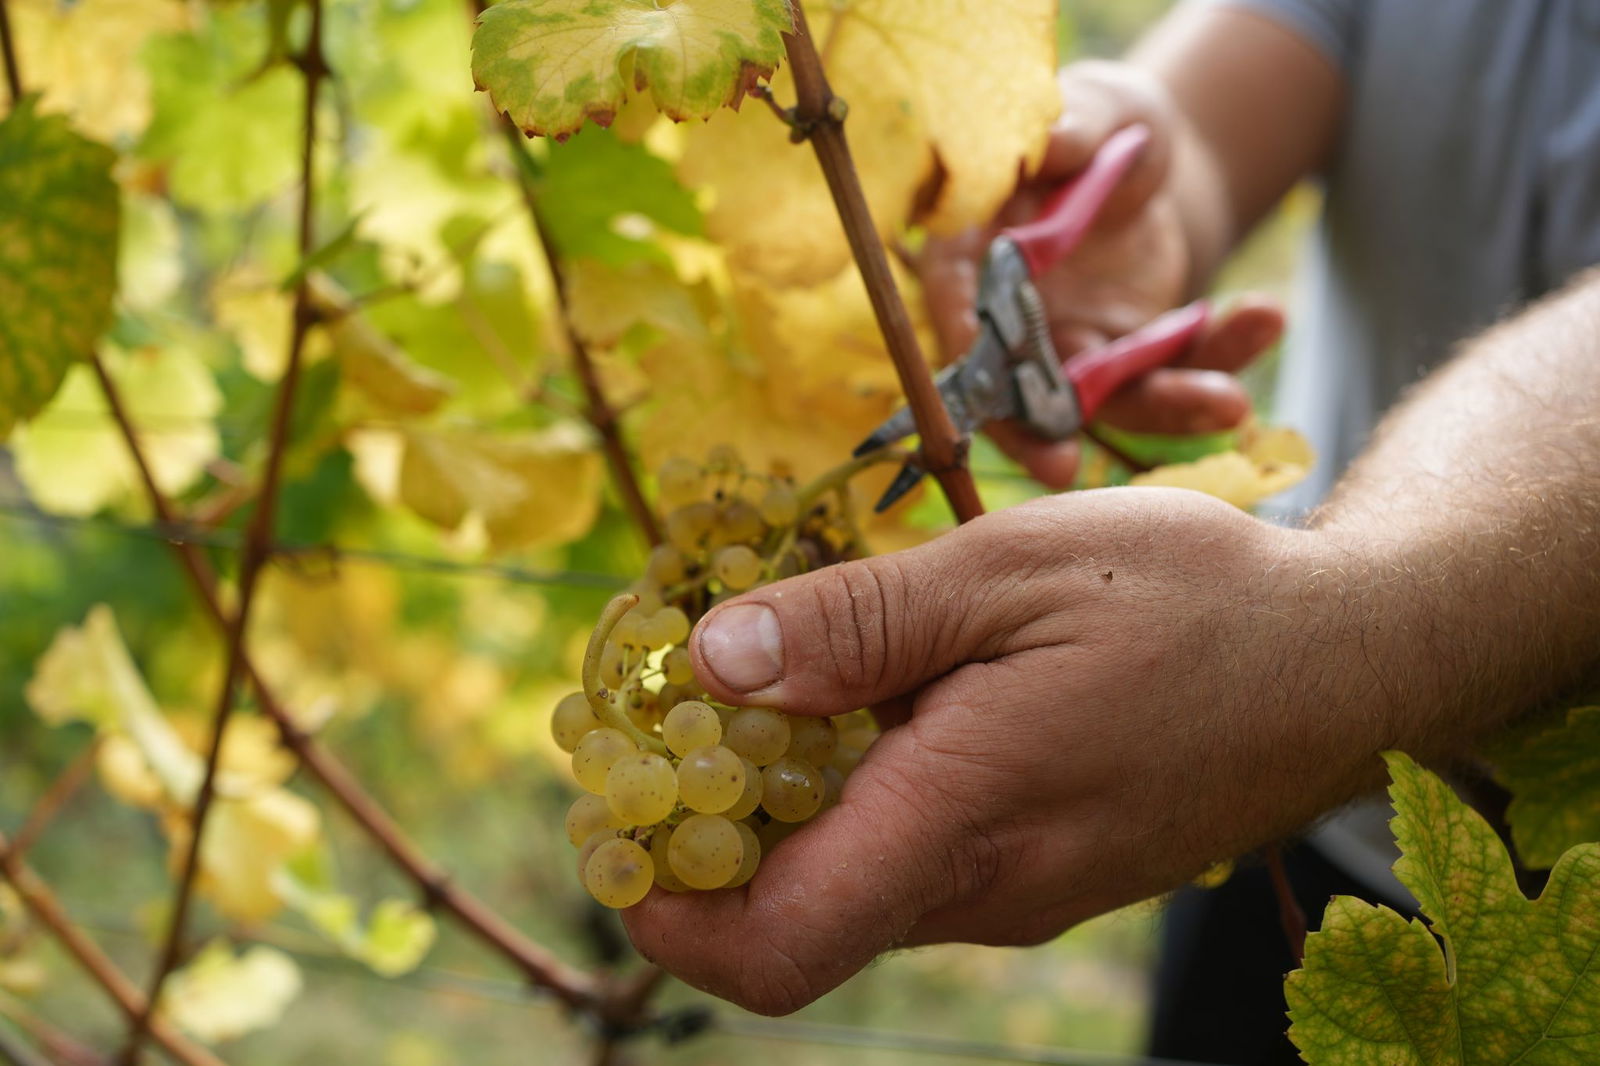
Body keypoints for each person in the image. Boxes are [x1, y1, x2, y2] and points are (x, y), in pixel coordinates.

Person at [622, 0, 1600, 1058]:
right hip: (1292, 809)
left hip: (1318, 749)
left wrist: (1350, 627)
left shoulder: (1259, 700)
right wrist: (1161, 179)